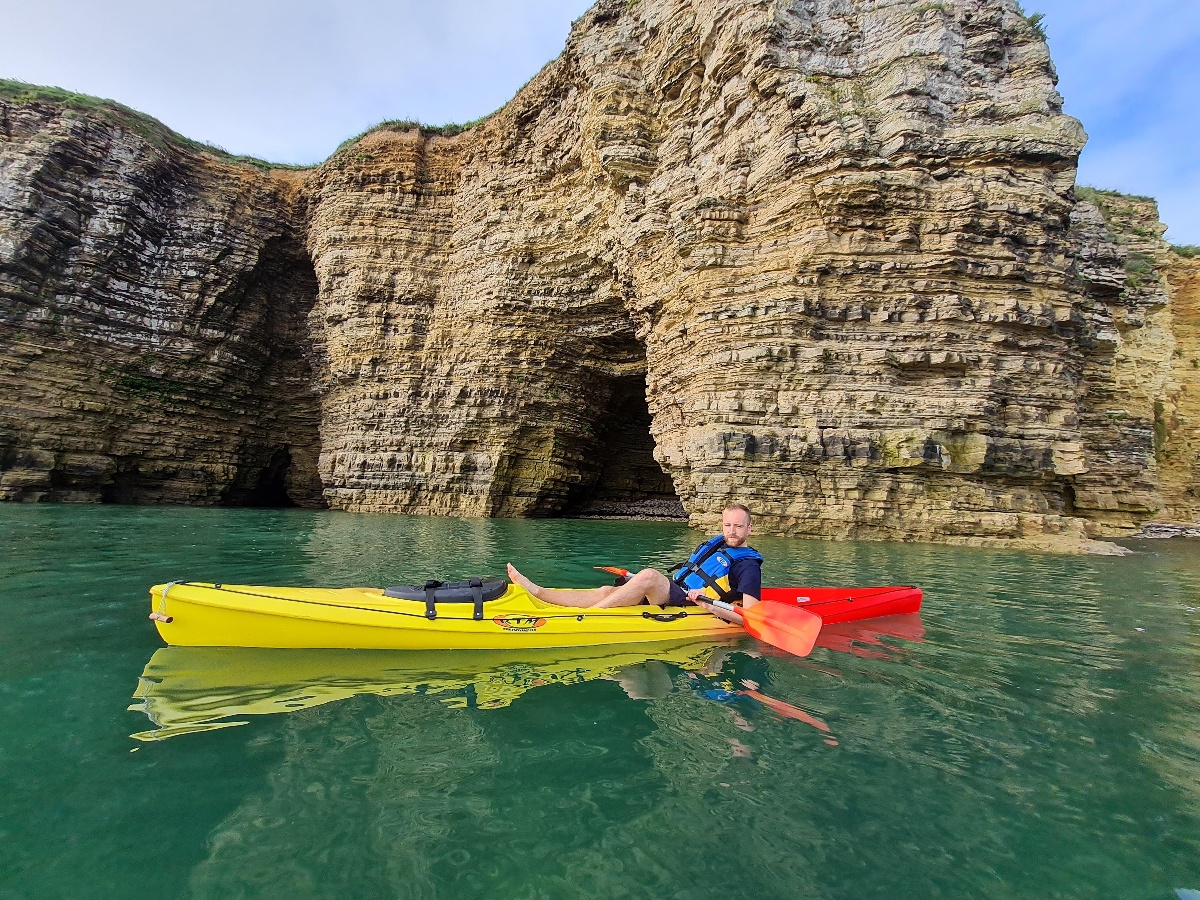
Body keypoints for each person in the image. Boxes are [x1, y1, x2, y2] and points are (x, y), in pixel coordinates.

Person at [505, 503, 762, 617]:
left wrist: (712, 607)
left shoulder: (747, 566)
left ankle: (589, 618)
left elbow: (751, 616)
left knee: (649, 576)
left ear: (749, 529)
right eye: (728, 525)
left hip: (693, 603)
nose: (731, 531)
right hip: (677, 591)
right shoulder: (720, 544)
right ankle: (539, 592)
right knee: (607, 590)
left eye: (739, 526)